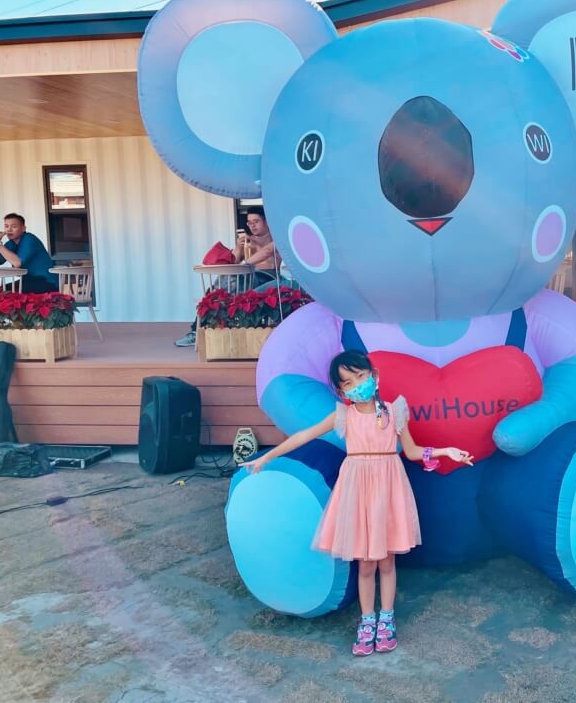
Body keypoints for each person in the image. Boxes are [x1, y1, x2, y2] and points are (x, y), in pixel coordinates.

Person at [242, 350, 473, 657]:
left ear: (374, 376)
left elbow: (413, 452)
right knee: (366, 563)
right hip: (359, 491)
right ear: (341, 390)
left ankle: (387, 618)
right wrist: (268, 456)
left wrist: (446, 452)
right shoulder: (343, 416)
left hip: (389, 488)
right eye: (348, 382)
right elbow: (304, 436)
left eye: (360, 376)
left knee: (387, 560)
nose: (356, 384)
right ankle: (367, 621)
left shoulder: (395, 412)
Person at [175, 209, 281, 347]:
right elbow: (233, 264)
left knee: (226, 282)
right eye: (249, 223)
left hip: (267, 277)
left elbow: (267, 251)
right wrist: (238, 248)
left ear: (266, 221)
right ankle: (197, 330)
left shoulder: (277, 238)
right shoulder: (248, 242)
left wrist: (245, 263)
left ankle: (204, 320)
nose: (252, 226)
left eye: (256, 222)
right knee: (222, 282)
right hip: (246, 279)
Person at [0, 213, 59, 293]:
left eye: (14, 227)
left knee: (4, 293)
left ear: (23, 228)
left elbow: (17, 263)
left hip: (46, 282)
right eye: (6, 226)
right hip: (28, 281)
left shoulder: (29, 239)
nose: (9, 230)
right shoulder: (11, 243)